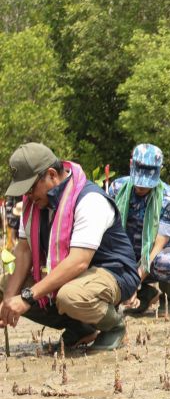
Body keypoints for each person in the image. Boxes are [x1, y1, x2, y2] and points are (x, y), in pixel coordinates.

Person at [0, 143, 139, 352]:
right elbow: (24, 249)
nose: (27, 196)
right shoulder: (34, 205)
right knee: (5, 285)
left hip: (113, 272)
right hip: (74, 276)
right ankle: (80, 328)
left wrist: (28, 297)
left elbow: (78, 261)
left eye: (30, 188)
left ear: (52, 175)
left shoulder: (90, 200)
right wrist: (10, 298)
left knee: (70, 296)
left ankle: (114, 327)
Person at [109, 144, 170, 316]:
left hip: (156, 256)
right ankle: (146, 294)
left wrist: (133, 282)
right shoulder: (117, 189)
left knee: (166, 262)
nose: (141, 186)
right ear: (131, 164)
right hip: (128, 254)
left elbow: (156, 248)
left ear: (160, 170)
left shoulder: (169, 198)